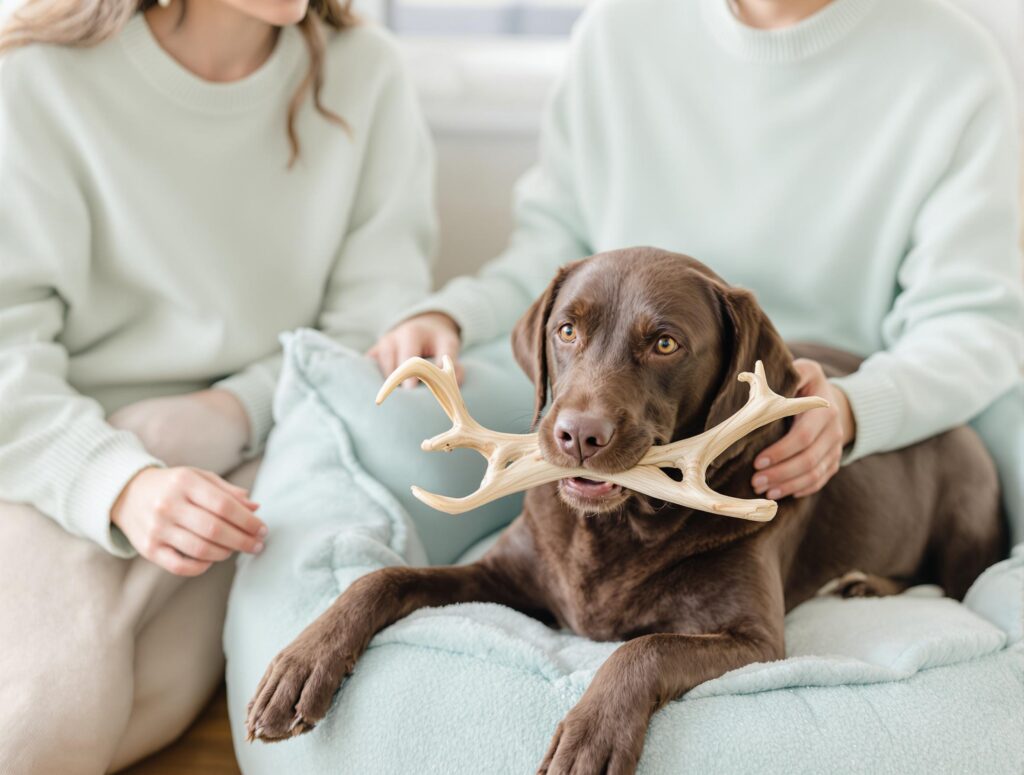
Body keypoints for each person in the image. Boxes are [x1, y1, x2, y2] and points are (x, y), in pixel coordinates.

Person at [373, 0, 1023, 527]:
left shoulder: (955, 66)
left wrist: (856, 410)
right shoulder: (618, 31)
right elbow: (553, 255)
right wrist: (449, 311)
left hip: (817, 418)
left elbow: (976, 323)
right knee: (376, 426)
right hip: (623, 396)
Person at [0, 0, 436, 770]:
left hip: (261, 451)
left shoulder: (368, 78)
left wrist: (228, 410)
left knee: (129, 707)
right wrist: (124, 481)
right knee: (46, 724)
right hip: (54, 456)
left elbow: (366, 329)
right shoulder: (34, 79)